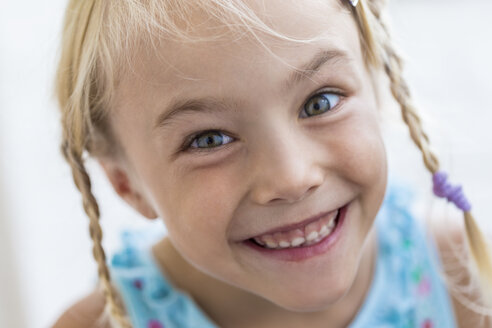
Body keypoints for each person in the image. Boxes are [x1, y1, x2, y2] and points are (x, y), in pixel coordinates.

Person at [52, 0, 492, 327]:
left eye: (321, 102)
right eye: (209, 139)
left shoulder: (458, 274)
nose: (292, 177)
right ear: (127, 184)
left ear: (376, 84)